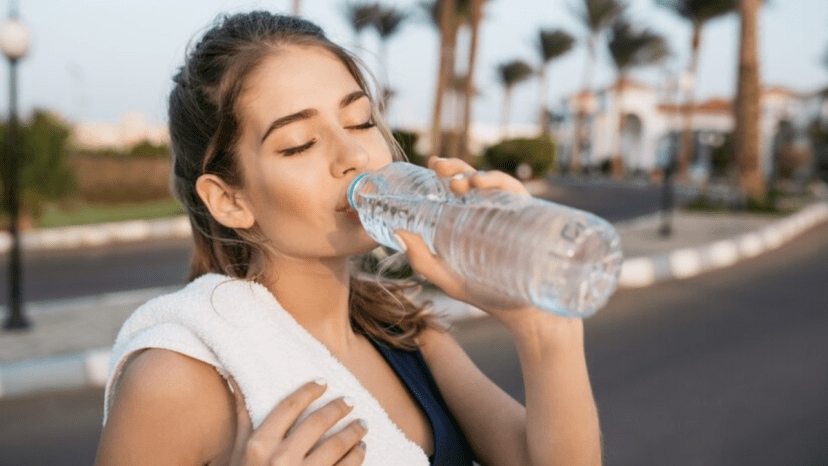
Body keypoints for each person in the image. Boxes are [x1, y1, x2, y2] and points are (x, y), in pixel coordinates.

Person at [95, 11, 602, 466]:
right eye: (299, 144)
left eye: (359, 120)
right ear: (230, 200)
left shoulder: (410, 336)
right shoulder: (177, 382)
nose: (353, 155)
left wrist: (543, 327)